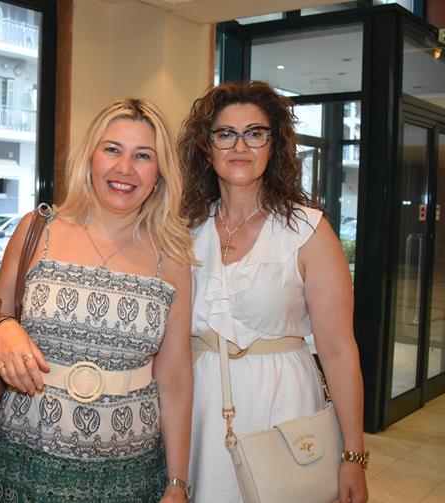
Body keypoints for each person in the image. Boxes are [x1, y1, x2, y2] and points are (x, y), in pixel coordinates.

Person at [0, 98, 194, 502]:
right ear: (90, 157)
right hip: (25, 467)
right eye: (112, 149)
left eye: (143, 156)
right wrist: (8, 326)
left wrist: (176, 483)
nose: (125, 168)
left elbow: (174, 378)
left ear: (159, 172)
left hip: (129, 476)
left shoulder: (172, 256)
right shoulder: (37, 230)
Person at [179, 81, 369, 502]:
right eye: (225, 133)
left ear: (274, 145)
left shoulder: (308, 231)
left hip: (283, 406)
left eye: (255, 133)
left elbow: (339, 351)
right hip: (201, 406)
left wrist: (353, 454)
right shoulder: (185, 230)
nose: (239, 146)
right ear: (206, 148)